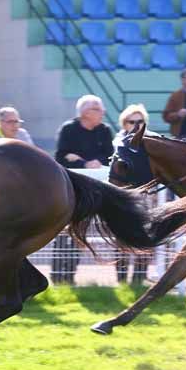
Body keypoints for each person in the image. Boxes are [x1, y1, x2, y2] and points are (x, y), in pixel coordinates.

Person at [53, 95, 114, 285]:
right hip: (69, 188)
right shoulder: (68, 129)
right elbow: (61, 157)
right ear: (85, 112)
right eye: (97, 109)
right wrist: (84, 162)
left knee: (80, 231)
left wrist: (91, 161)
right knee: (62, 231)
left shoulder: (105, 130)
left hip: (94, 190)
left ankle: (70, 277)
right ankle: (57, 276)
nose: (102, 112)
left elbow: (110, 156)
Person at [111, 104, 154, 285]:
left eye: (140, 121)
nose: (136, 125)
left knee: (145, 238)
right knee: (121, 240)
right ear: (124, 123)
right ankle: (121, 281)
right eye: (132, 121)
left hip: (147, 198)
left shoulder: (152, 141)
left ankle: (139, 279)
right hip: (121, 199)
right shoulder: (117, 143)